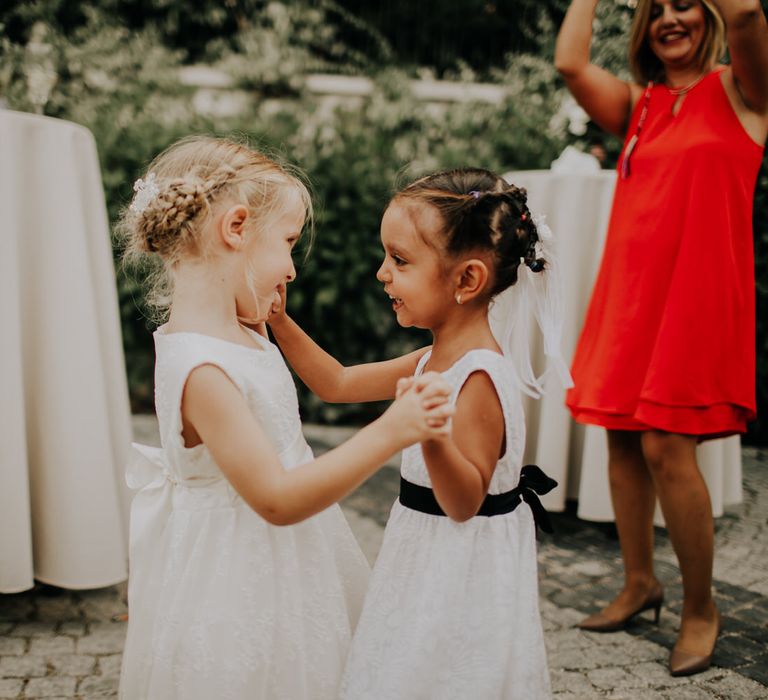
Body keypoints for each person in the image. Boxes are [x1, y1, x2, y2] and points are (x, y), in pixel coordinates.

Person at [115, 136, 454, 700]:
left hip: (289, 564)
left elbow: (339, 380)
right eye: (289, 244)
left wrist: (438, 355)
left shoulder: (240, 330)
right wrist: (394, 430)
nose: (292, 270)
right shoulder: (204, 370)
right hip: (241, 582)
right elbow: (275, 498)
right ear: (236, 228)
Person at [267, 167, 569, 699]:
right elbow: (337, 383)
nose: (383, 273)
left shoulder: (479, 377)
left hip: (460, 569)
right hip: (424, 553)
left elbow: (463, 501)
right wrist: (281, 323)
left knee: (446, 671)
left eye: (400, 260)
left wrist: (428, 433)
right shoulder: (435, 357)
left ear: (467, 281)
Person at [555, 0, 768, 676]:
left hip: (698, 296)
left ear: (708, 16)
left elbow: (750, 14)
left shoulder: (745, 88)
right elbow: (568, 61)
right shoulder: (638, 104)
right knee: (619, 433)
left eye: (685, 6)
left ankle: (701, 607)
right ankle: (639, 583)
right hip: (633, 292)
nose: (671, 20)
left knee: (666, 443)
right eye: (657, 11)